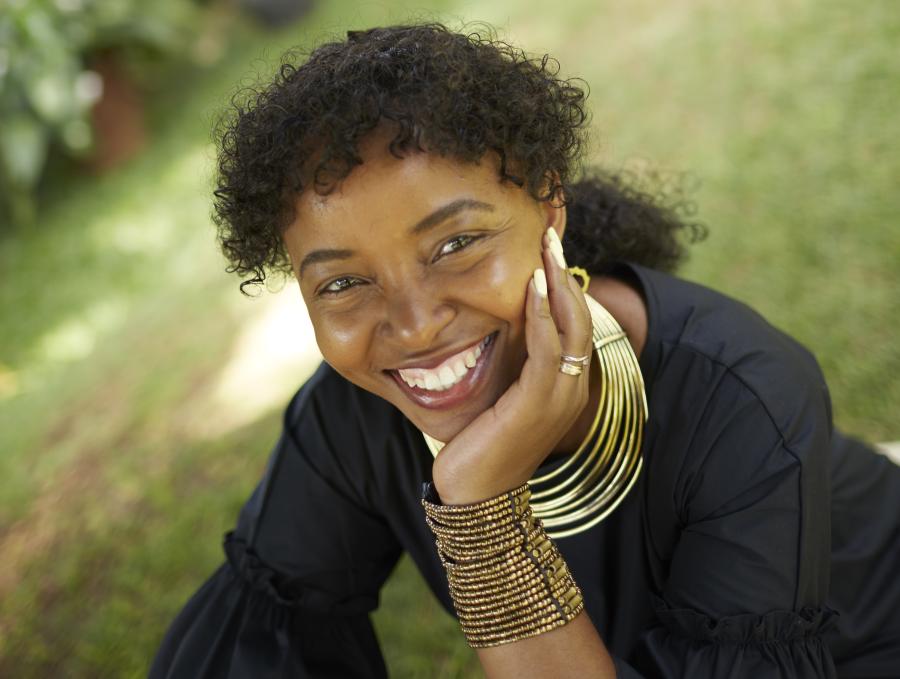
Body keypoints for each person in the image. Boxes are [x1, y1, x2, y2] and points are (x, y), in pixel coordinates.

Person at [149, 23, 900, 678]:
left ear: (548, 204)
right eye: (344, 281)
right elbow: (260, 643)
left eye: (456, 243)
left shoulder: (742, 397)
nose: (413, 327)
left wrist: (480, 511)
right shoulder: (352, 418)